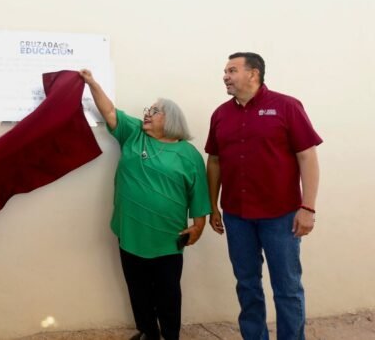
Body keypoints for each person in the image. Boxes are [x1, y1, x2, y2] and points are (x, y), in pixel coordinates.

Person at [80, 69, 211, 340]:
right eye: (148, 110)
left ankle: (170, 336)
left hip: (168, 237)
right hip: (130, 232)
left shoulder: (189, 154)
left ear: (171, 119)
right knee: (138, 291)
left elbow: (199, 194)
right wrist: (92, 83)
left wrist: (199, 226)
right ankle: (148, 333)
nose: (147, 114)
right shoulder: (134, 134)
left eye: (155, 111)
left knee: (168, 293)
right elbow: (109, 111)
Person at [205, 53, 322, 340]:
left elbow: (307, 157)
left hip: (281, 216)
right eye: (225, 71)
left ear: (253, 73)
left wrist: (308, 208)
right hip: (237, 216)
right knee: (247, 285)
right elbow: (215, 161)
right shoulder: (220, 114)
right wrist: (213, 206)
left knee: (287, 287)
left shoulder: (287, 106)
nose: (225, 76)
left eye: (232, 70)